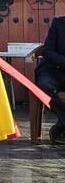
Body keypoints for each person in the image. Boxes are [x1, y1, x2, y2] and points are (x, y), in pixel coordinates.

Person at [36, 16, 65, 144]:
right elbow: (47, 51)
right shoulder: (59, 23)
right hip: (53, 70)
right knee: (44, 85)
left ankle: (61, 126)